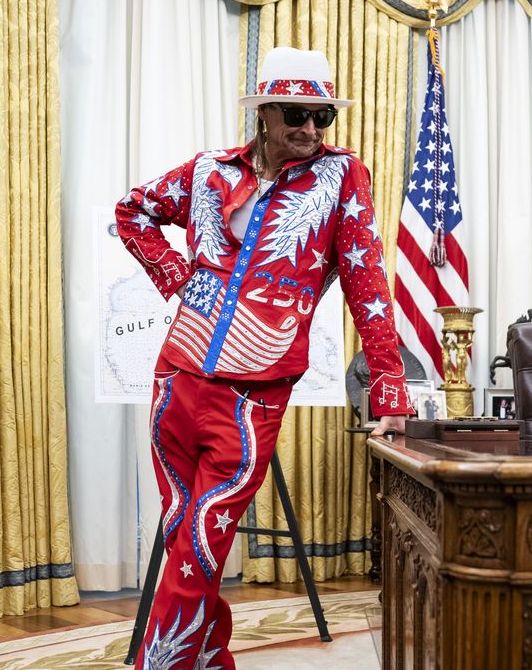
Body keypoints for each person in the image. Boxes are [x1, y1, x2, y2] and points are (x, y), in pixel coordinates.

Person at [116, 47, 412, 670]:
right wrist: (180, 280)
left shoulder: (342, 180)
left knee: (202, 538)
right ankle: (210, 660)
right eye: (296, 115)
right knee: (186, 538)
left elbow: (367, 284)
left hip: (252, 394)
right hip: (177, 378)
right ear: (263, 114)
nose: (310, 130)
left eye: (322, 117)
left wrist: (389, 386)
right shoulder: (205, 172)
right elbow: (133, 211)